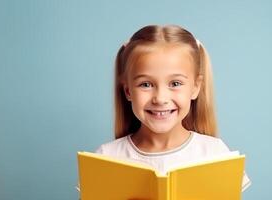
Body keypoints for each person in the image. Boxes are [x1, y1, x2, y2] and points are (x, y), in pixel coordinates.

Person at [94, 24, 251, 192]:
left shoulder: (215, 153)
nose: (160, 99)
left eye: (175, 83)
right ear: (128, 91)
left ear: (195, 87)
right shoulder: (106, 157)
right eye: (145, 84)